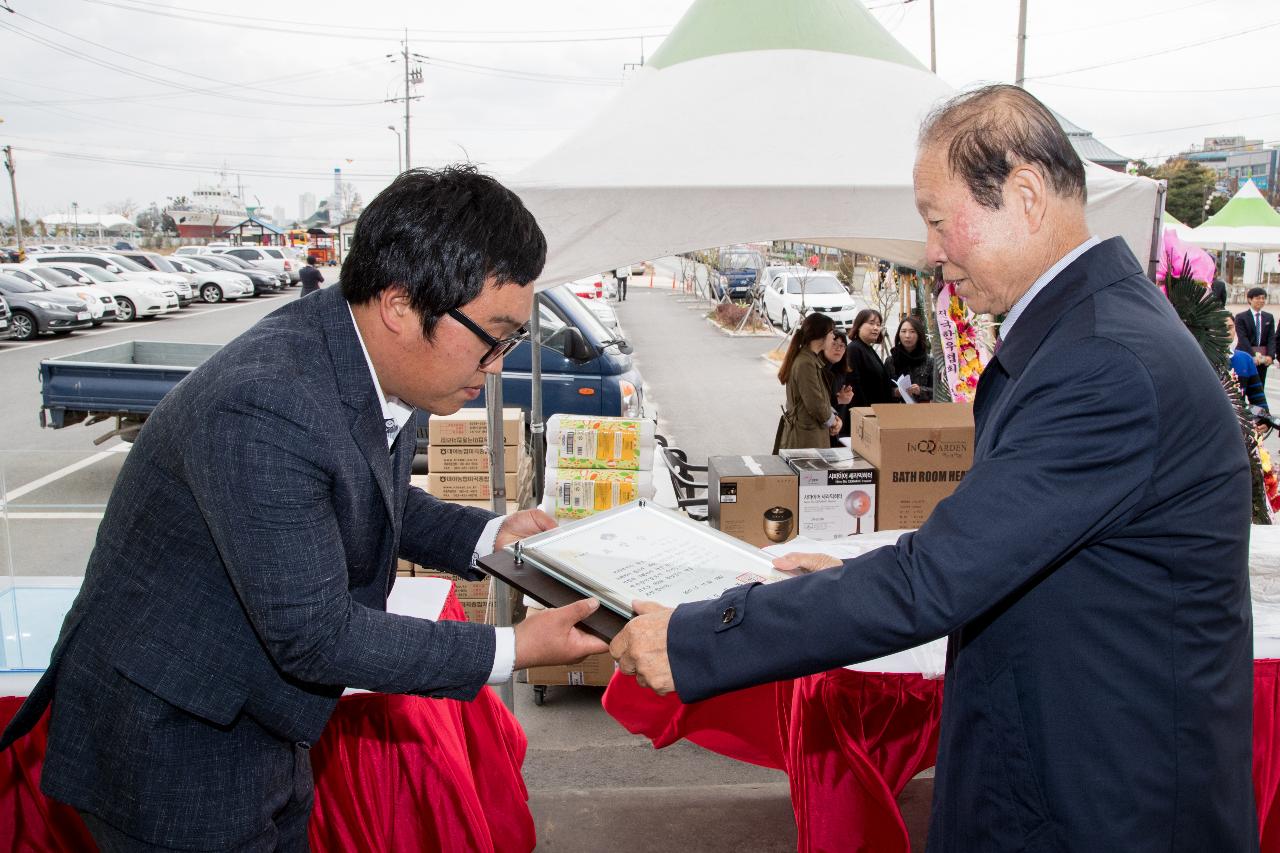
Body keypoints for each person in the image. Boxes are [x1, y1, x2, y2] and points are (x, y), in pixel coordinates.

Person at [612, 85, 1255, 851]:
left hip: (1107, 801)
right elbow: (999, 541)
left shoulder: (1103, 364)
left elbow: (937, 577)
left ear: (1024, 196)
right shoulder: (1088, 335)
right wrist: (846, 574)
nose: (931, 251)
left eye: (937, 218)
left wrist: (697, 641)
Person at [0, 166, 609, 850]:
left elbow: (369, 495)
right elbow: (315, 634)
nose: (496, 364)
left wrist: (496, 534)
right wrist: (516, 646)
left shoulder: (370, 360)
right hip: (172, 737)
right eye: (492, 336)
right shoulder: (265, 403)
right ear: (400, 304)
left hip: (257, 712)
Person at [773, 312, 840, 451]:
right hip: (805, 438)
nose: (833, 337)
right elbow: (815, 403)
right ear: (821, 335)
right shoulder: (806, 363)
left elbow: (820, 398)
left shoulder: (810, 359)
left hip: (808, 435)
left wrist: (833, 417)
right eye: (831, 332)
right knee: (808, 473)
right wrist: (833, 421)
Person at [845, 308, 895, 406]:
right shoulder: (854, 349)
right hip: (864, 412)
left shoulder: (867, 348)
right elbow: (854, 385)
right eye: (871, 323)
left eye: (878, 324)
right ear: (859, 326)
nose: (876, 328)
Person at [884, 315, 933, 402]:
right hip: (895, 411)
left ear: (919, 334)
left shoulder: (929, 361)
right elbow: (882, 390)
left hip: (922, 412)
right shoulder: (890, 361)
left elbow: (937, 391)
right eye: (903, 331)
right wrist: (895, 392)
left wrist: (920, 391)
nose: (907, 335)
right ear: (899, 334)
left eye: (912, 331)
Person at [1235, 286, 1275, 387]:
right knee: (1242, 386)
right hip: (1245, 356)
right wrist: (1252, 355)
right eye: (1257, 298)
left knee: (1259, 387)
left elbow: (1271, 338)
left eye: (1263, 298)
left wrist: (1270, 355)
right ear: (1250, 299)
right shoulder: (1241, 317)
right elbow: (1242, 338)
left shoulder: (1269, 317)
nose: (1261, 300)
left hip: (1262, 359)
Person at [1230, 314, 1269, 411]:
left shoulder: (1244, 359)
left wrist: (1264, 420)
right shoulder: (1202, 358)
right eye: (1220, 327)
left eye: (1230, 327)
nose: (1226, 332)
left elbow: (1257, 397)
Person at [824, 330, 854, 446]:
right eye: (834, 344)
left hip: (836, 428)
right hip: (821, 429)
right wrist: (838, 400)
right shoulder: (820, 370)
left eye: (842, 346)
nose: (838, 349)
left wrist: (846, 396)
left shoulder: (841, 371)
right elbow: (815, 403)